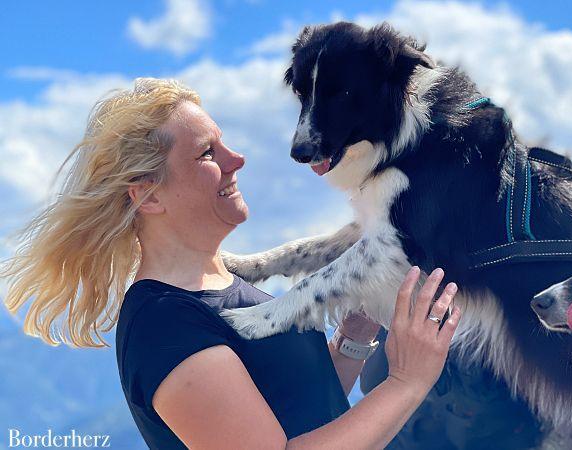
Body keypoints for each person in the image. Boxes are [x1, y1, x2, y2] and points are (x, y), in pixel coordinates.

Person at [1, 78, 461, 449]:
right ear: (147, 194)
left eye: (223, 145)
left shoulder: (232, 290)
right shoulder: (163, 322)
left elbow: (302, 407)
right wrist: (405, 381)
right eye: (207, 153)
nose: (237, 159)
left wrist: (355, 338)